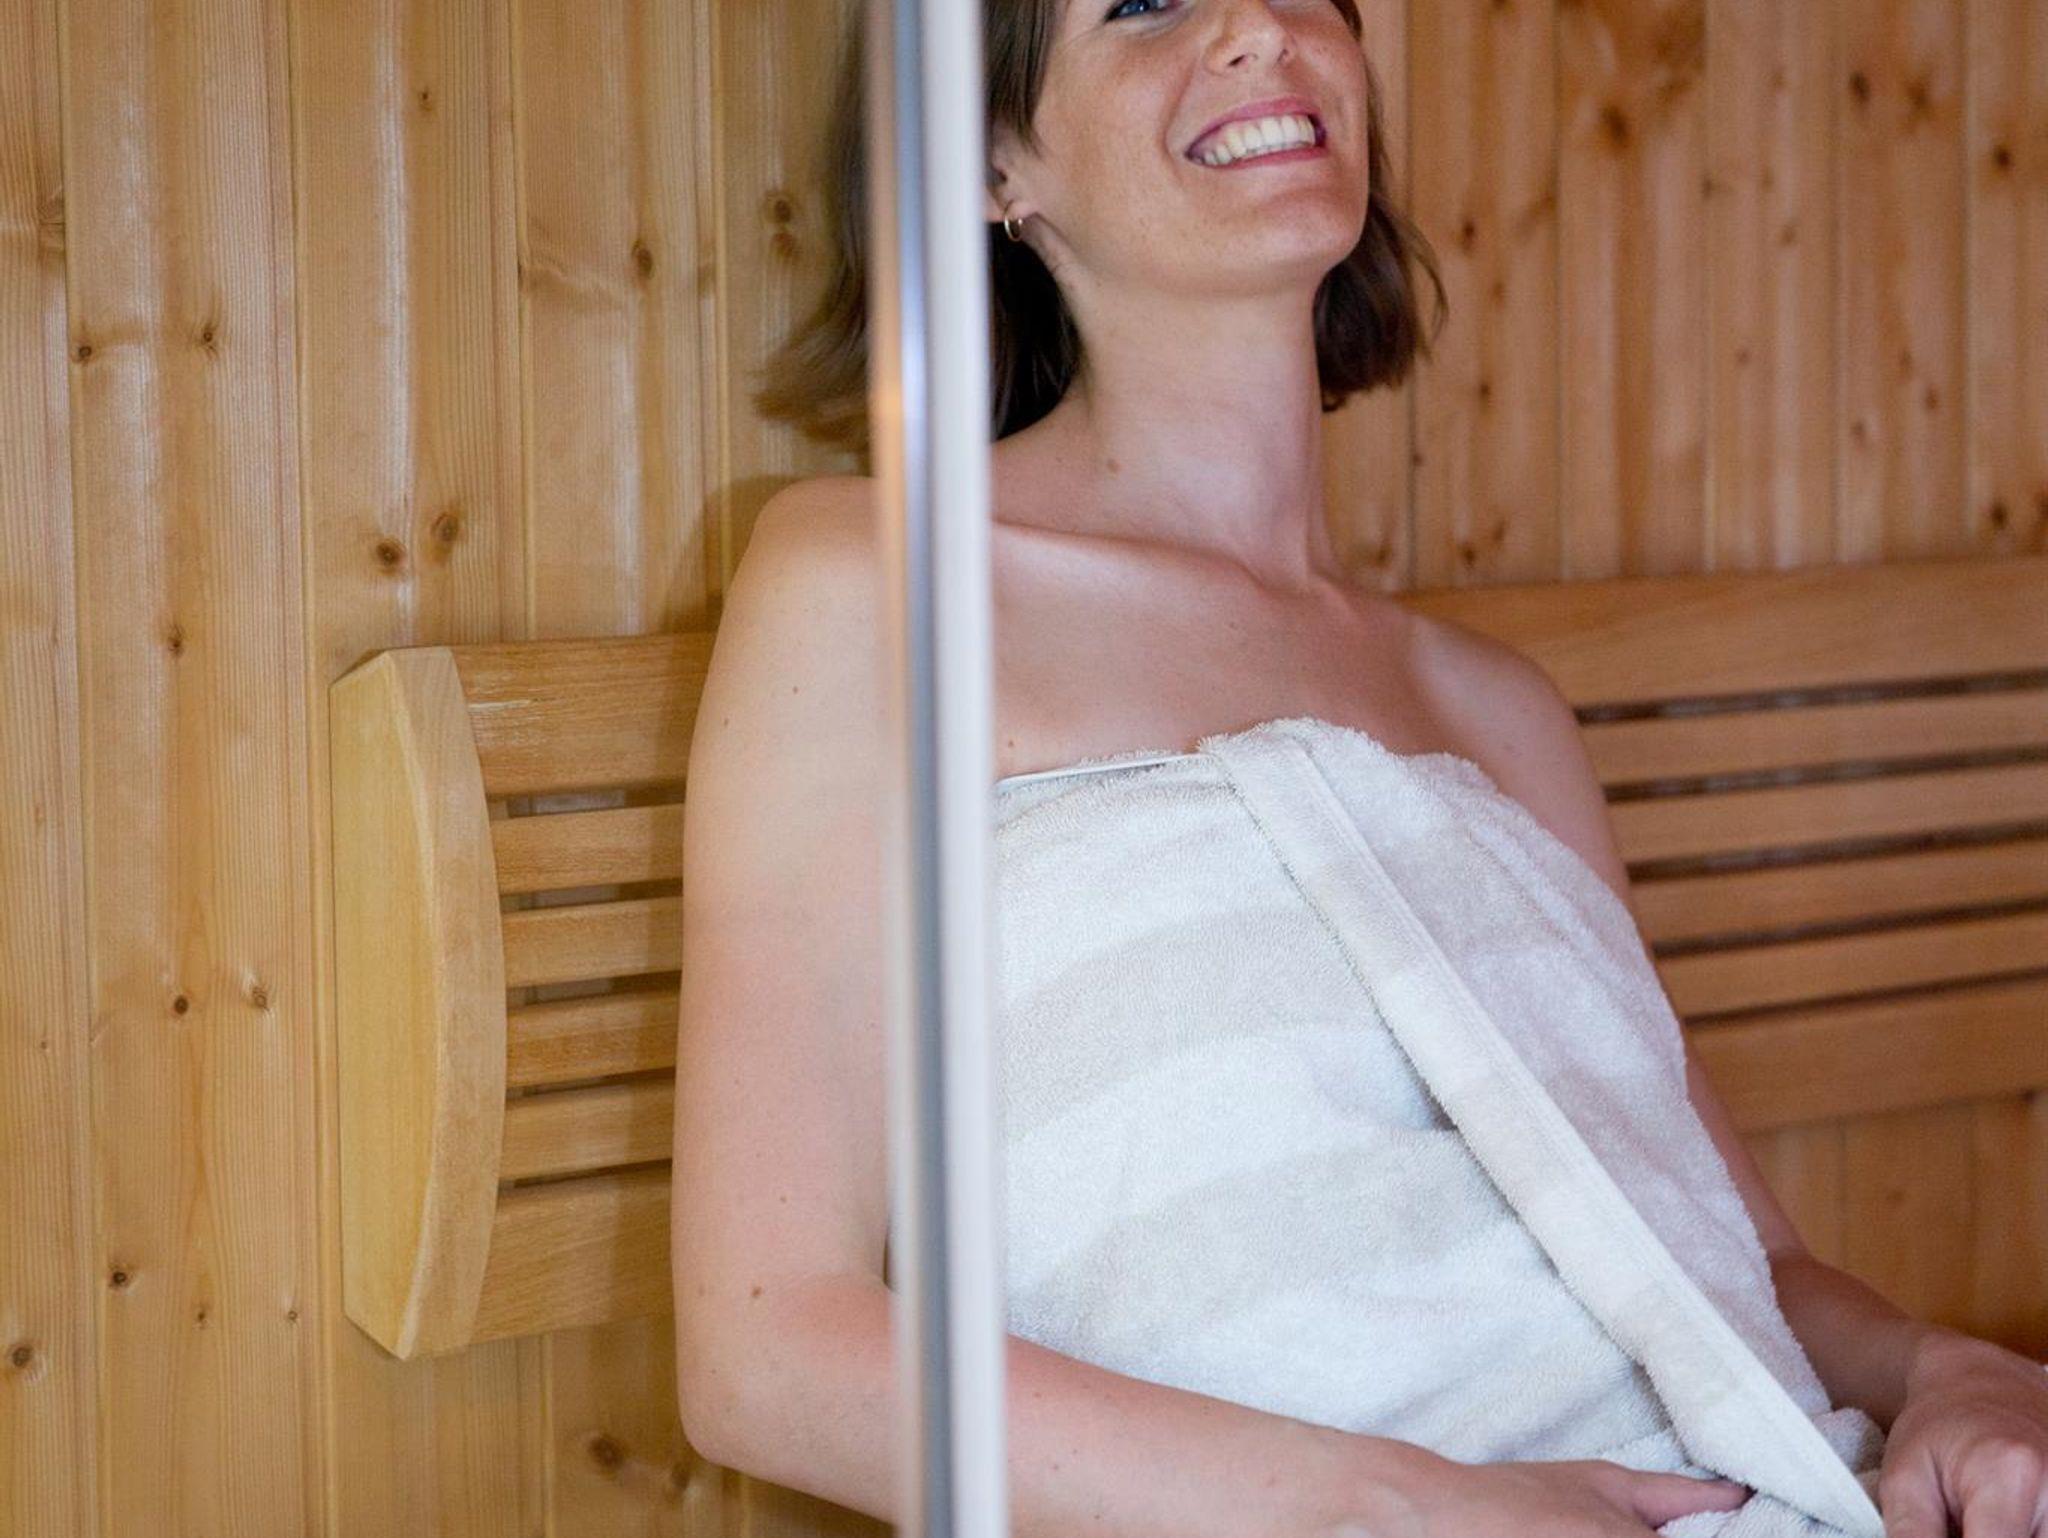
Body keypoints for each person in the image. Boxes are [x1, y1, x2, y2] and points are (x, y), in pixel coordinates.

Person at [670, 2, 2048, 1535]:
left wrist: (1954, 1369)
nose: (1259, 25)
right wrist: (1405, 1508)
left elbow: (1747, 1264)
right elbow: (768, 1347)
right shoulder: (879, 587)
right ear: (997, 162)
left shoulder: (1496, 709)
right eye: (1143, 0)